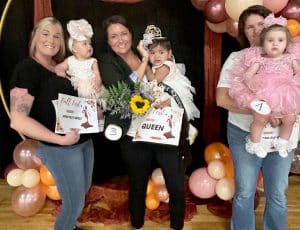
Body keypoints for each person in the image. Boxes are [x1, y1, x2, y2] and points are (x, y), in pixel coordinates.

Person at [98, 15, 192, 230]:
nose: (120, 39)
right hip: (133, 134)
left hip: (164, 128)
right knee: (138, 183)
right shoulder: (107, 61)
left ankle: (177, 224)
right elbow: (123, 91)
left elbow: (173, 85)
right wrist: (143, 62)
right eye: (114, 36)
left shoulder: (155, 56)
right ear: (108, 41)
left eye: (123, 33)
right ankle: (137, 224)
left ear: (131, 34)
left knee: (175, 182)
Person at [9, 17, 94, 230]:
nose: (51, 39)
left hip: (83, 142)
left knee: (81, 193)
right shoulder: (26, 69)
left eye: (57, 35)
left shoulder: (61, 68)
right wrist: (59, 140)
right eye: (45, 33)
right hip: (61, 148)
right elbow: (18, 119)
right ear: (34, 37)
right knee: (74, 203)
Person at [216, 5, 295, 230]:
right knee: (244, 191)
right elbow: (221, 99)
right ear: (243, 32)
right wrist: (260, 110)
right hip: (243, 132)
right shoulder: (236, 58)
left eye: (260, 24)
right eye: (249, 27)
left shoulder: (291, 57)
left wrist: (284, 112)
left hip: (282, 133)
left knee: (278, 192)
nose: (255, 30)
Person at [228, 14, 300, 158]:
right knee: (261, 118)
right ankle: (254, 143)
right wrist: (251, 82)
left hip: (285, 94)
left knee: (290, 119)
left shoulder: (290, 58)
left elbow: (298, 73)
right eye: (270, 40)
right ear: (263, 43)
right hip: (264, 92)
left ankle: (283, 142)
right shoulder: (259, 59)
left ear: (286, 43)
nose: (275, 44)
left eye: (280, 40)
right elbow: (248, 75)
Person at [141, 24, 200, 144]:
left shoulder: (166, 66)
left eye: (161, 52)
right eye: (152, 53)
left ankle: (187, 129)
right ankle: (172, 131)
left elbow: (153, 82)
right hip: (161, 93)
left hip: (171, 95)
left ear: (169, 54)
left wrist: (146, 67)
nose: (156, 56)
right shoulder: (156, 67)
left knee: (167, 109)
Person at [55, 18, 105, 129]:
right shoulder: (70, 60)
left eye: (90, 44)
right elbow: (59, 67)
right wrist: (61, 71)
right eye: (84, 44)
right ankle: (85, 124)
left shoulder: (92, 61)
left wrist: (98, 82)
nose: (89, 47)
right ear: (74, 48)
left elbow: (97, 74)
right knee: (81, 110)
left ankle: (100, 122)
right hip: (78, 90)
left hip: (92, 89)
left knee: (96, 107)